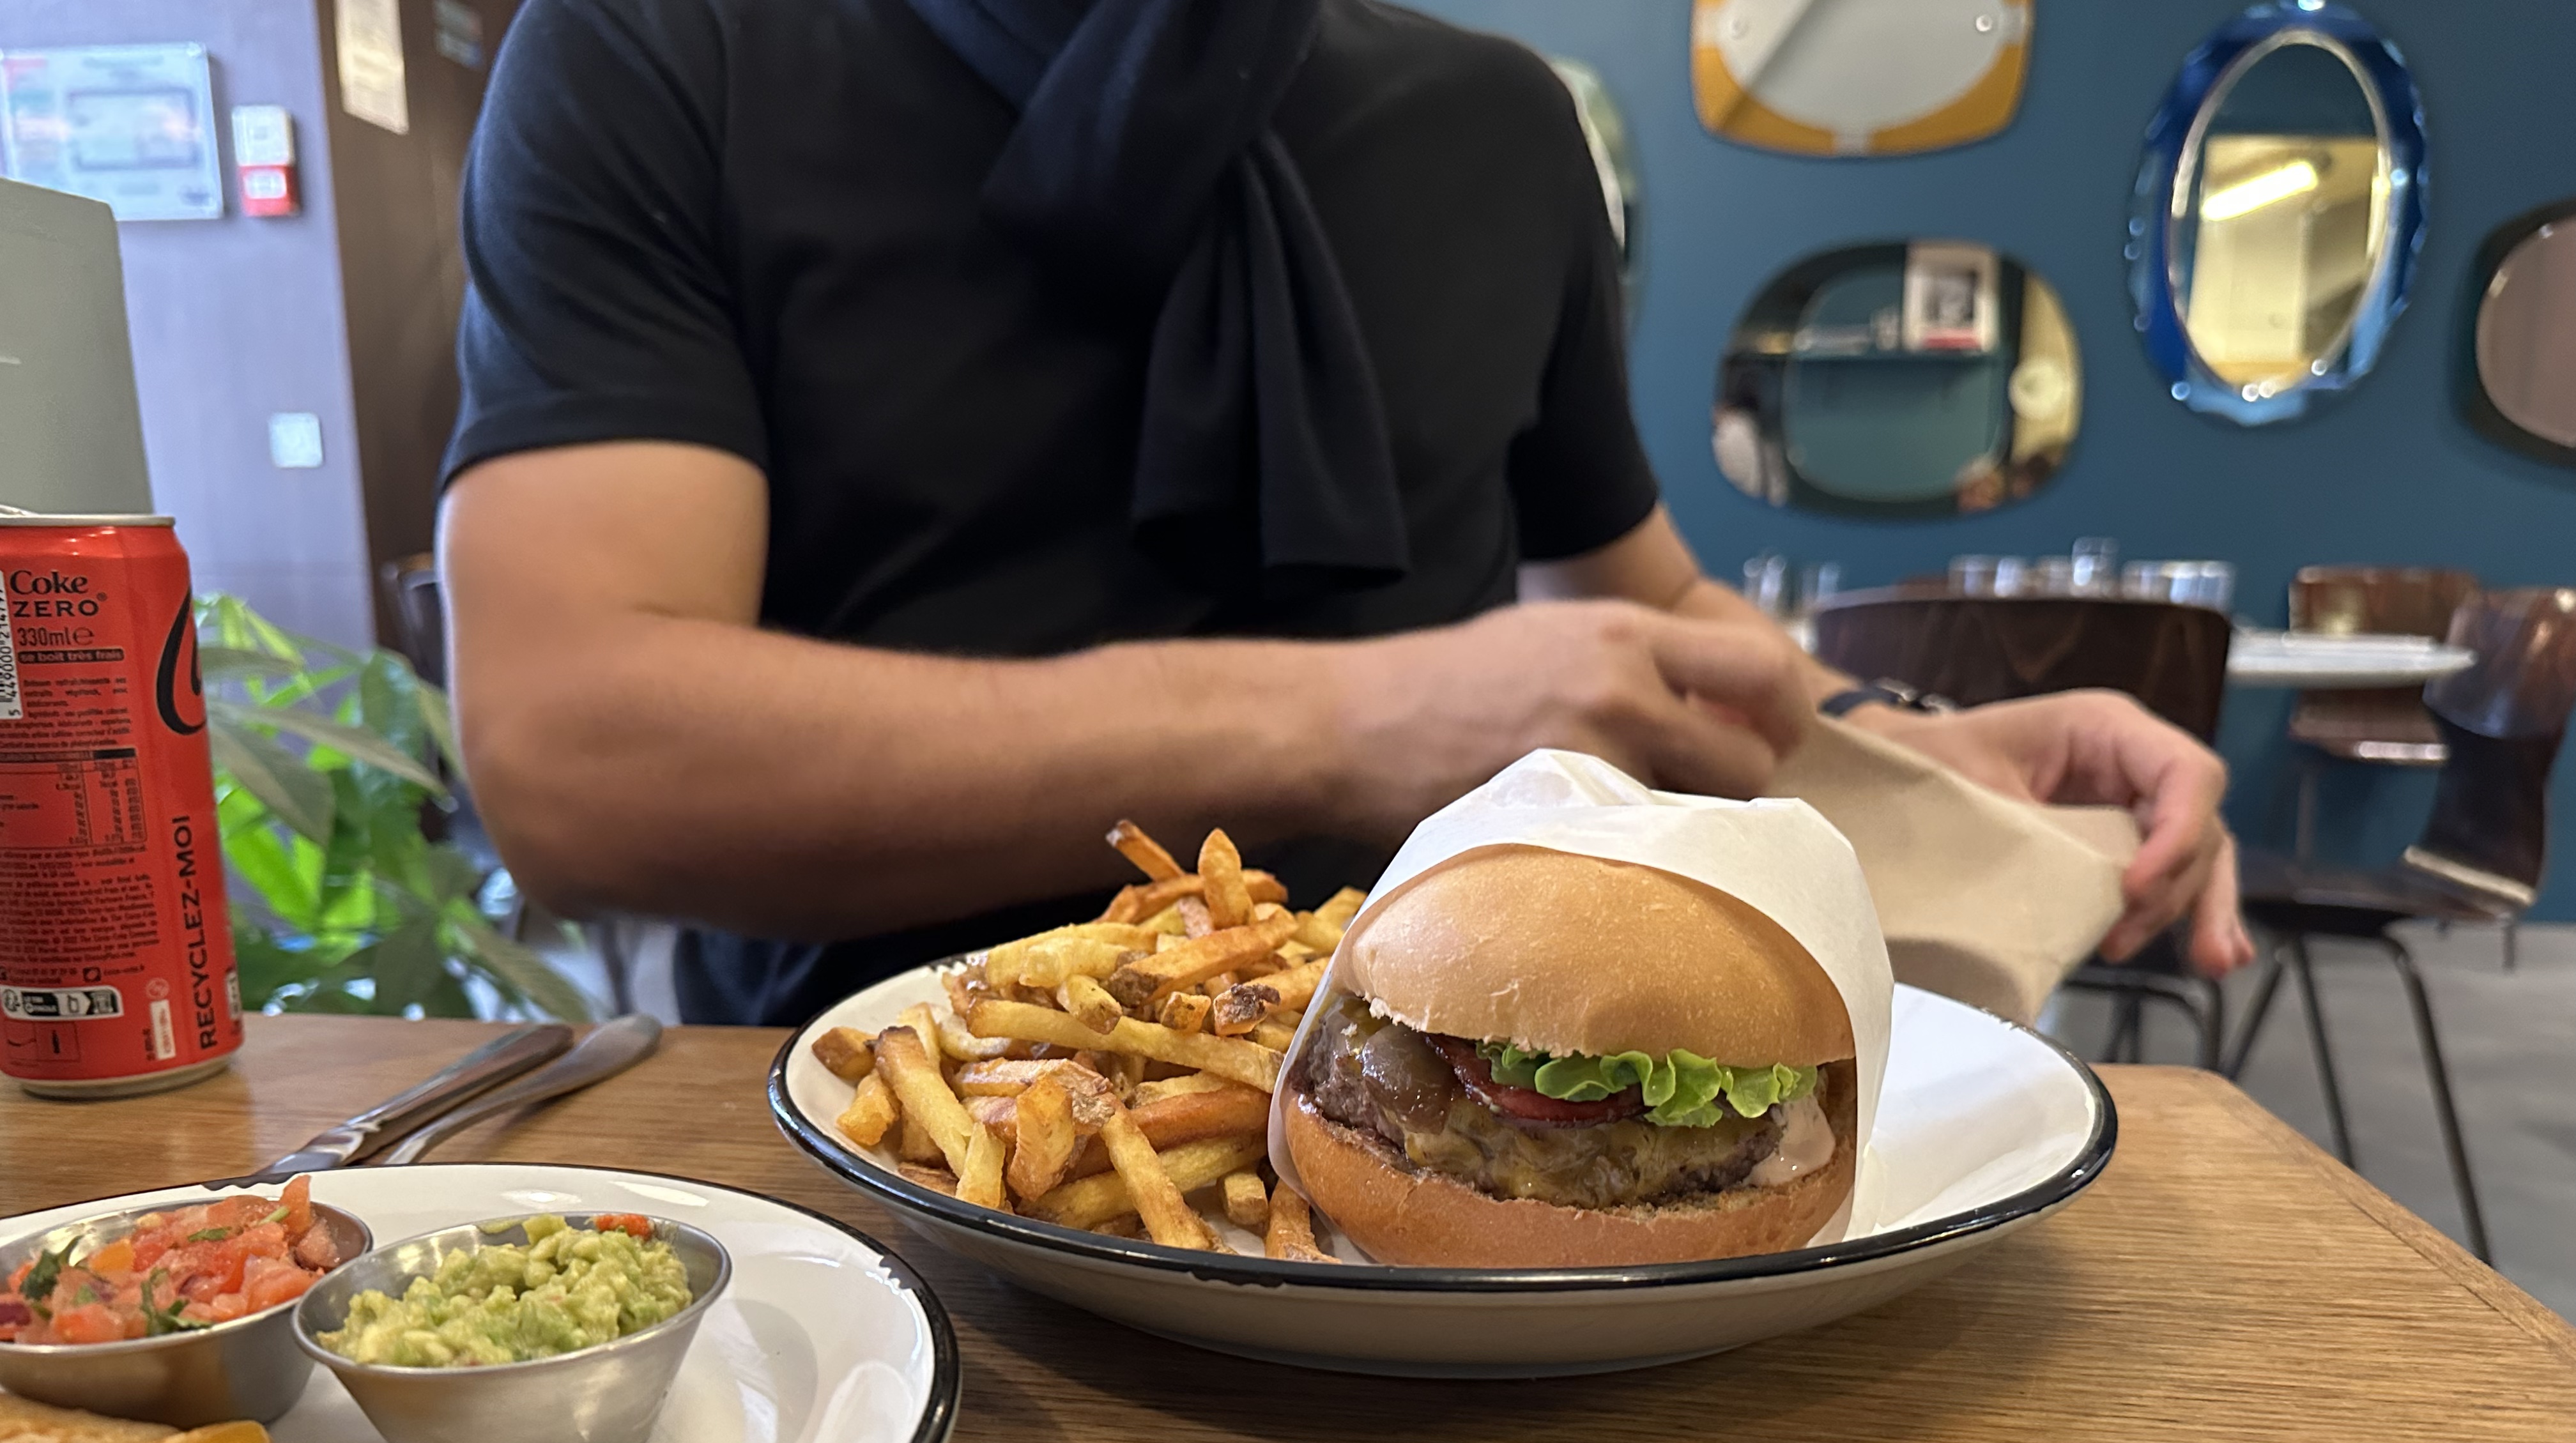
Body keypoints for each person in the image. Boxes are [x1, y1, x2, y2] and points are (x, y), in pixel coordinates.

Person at [438, 0, 2250, 1027]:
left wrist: (1921, 746)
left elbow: (1646, 597)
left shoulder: (1501, 126)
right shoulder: (665, 55)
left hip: (1464, 1110)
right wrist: (1351, 722)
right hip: (866, 1146)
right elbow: (571, 758)